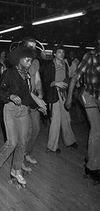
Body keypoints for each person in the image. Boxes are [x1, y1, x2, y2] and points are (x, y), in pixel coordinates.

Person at [0, 46, 46, 186]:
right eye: (27, 60)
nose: (29, 63)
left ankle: (16, 170)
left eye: (31, 60)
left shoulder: (27, 75)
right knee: (12, 142)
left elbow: (27, 96)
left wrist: (38, 106)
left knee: (22, 142)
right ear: (18, 59)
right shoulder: (9, 73)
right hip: (10, 110)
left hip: (23, 111)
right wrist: (10, 96)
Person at [65, 32, 100, 182]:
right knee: (97, 129)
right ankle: (92, 167)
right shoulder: (90, 56)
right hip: (88, 95)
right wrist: (68, 98)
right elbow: (75, 77)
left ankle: (90, 156)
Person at [42, 45, 77, 153]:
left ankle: (70, 141)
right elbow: (46, 81)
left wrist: (67, 83)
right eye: (59, 52)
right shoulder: (50, 65)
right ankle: (52, 146)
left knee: (66, 118)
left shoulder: (65, 64)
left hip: (64, 94)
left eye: (63, 52)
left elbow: (67, 77)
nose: (62, 54)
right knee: (55, 121)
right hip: (53, 94)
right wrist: (56, 83)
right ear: (54, 54)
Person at [22, 38, 43, 171]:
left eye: (34, 47)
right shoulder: (19, 62)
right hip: (23, 100)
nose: (32, 48)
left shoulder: (35, 62)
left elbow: (37, 78)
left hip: (34, 99)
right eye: (30, 46)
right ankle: (20, 158)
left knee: (36, 129)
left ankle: (27, 153)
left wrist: (40, 92)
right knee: (26, 131)